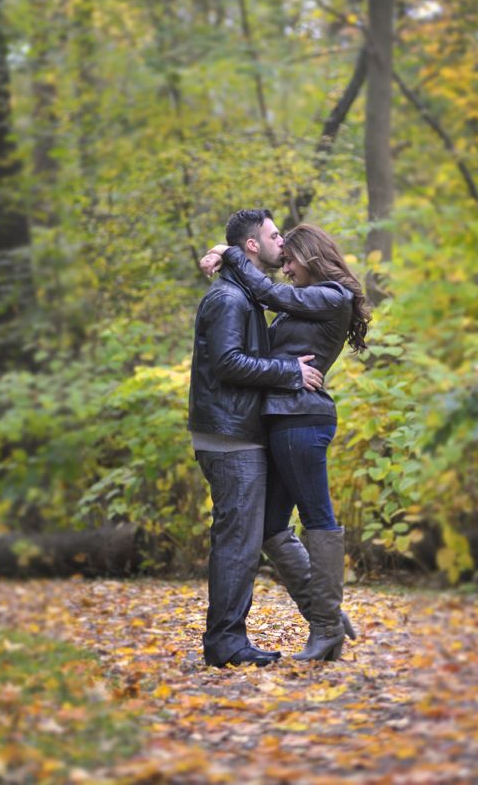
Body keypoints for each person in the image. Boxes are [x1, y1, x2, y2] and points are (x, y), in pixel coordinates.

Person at [201, 224, 370, 661]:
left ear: (311, 256)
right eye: (284, 257)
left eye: (292, 259)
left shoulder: (333, 295)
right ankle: (323, 612)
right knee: (270, 526)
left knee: (318, 517)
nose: (287, 267)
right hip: (281, 419)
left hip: (301, 419)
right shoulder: (309, 302)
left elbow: (273, 295)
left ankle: (327, 627)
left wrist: (230, 253)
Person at [188, 208, 324, 668]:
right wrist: (290, 371)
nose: (281, 243)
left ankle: (228, 639)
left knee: (243, 540)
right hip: (229, 437)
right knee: (237, 543)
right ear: (252, 246)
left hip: (236, 432)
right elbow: (228, 363)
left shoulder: (243, 294)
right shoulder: (228, 299)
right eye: (274, 235)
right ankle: (225, 643)